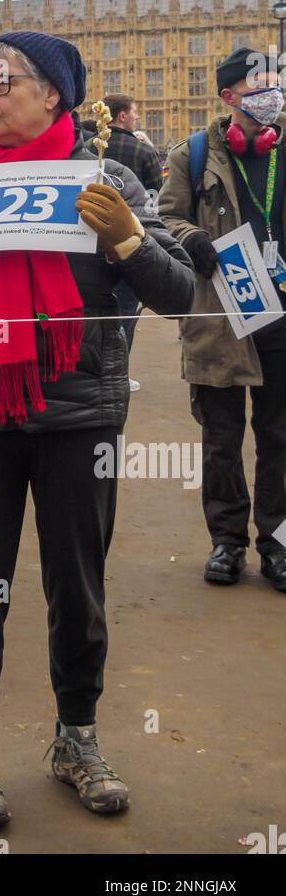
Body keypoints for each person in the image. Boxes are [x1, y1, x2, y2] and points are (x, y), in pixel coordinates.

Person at [0, 31, 194, 829]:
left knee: (78, 589)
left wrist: (127, 240)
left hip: (79, 416)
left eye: (2, 81)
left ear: (54, 95)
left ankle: (77, 739)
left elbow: (178, 290)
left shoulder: (113, 177)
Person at [159, 48, 286, 593]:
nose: (272, 94)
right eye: (260, 85)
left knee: (280, 437)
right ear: (229, 96)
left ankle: (278, 545)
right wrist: (192, 240)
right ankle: (227, 542)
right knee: (221, 438)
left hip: (283, 318)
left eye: (276, 84)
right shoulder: (192, 154)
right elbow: (164, 217)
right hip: (221, 316)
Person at [86, 95, 164, 392]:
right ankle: (117, 373)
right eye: (134, 113)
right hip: (129, 244)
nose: (137, 118)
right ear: (120, 117)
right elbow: (156, 200)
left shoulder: (83, 148)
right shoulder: (142, 151)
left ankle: (91, 370)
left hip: (88, 249)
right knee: (126, 314)